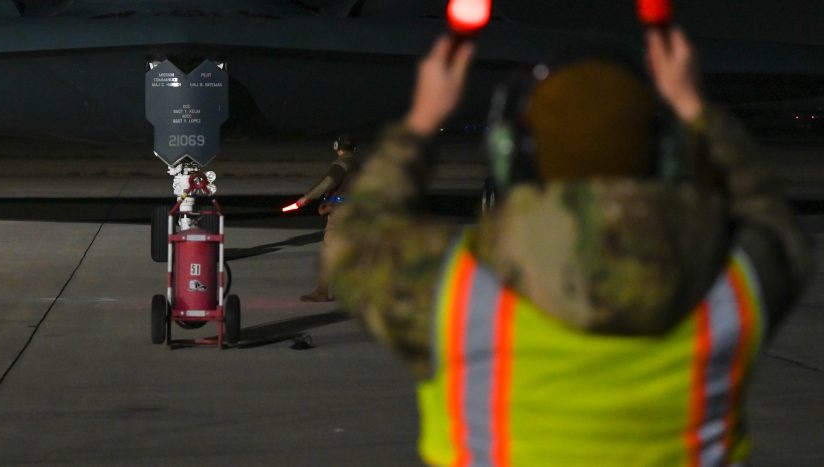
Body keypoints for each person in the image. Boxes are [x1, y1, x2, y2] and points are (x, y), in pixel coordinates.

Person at [325, 28, 811, 465]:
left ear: (512, 153)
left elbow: (354, 239)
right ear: (665, 153)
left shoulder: (451, 288)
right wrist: (695, 108)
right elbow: (771, 215)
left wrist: (422, 119)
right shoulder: (735, 284)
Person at [296, 135, 360, 302]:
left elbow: (327, 183)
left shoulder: (341, 165)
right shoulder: (357, 165)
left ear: (337, 147)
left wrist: (307, 197)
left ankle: (322, 291)